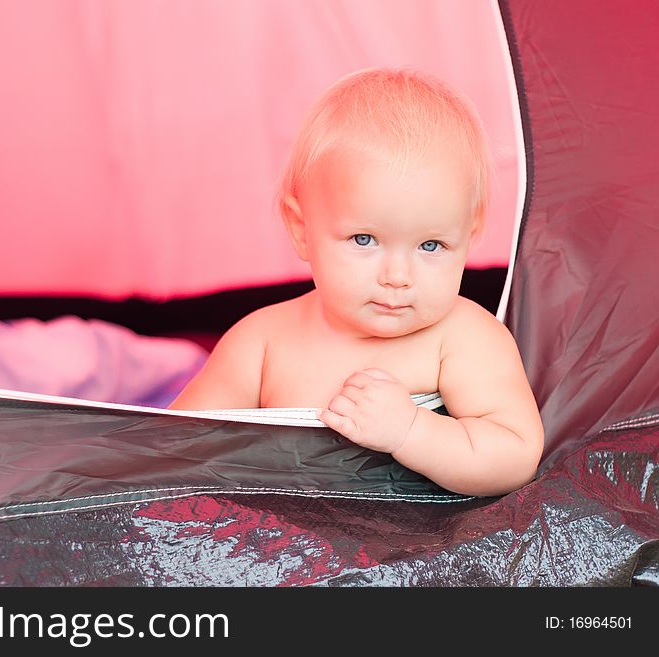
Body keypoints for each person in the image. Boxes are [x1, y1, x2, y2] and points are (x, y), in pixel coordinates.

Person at [169, 68, 543, 497]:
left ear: (470, 235)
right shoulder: (261, 342)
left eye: (432, 245)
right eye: (364, 240)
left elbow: (515, 456)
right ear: (300, 228)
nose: (398, 278)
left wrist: (411, 432)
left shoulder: (464, 339)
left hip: (415, 551)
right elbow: (175, 448)